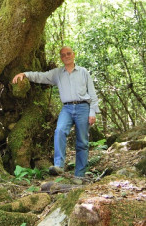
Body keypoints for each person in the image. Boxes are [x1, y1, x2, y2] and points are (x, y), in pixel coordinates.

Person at [12, 46, 99, 178]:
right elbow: (41, 76)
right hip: (67, 108)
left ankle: (79, 176)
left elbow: (92, 93)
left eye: (68, 53)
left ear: (73, 55)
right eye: (63, 55)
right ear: (61, 58)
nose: (66, 56)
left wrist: (92, 112)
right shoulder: (58, 73)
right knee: (59, 131)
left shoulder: (83, 72)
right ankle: (59, 165)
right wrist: (25, 74)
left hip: (83, 107)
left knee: (82, 142)